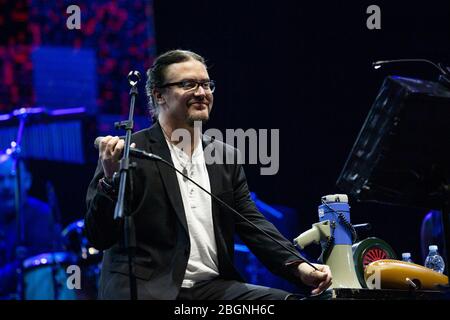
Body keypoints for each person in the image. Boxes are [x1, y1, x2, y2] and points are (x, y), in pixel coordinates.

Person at [85, 49, 332, 300]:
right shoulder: (130, 152)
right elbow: (99, 235)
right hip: (150, 290)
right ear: (159, 95)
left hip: (214, 290)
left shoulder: (224, 157)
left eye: (206, 84)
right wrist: (111, 180)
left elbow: (252, 224)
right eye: (188, 84)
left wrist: (300, 267)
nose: (202, 93)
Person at [0, 152, 62, 299]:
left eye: (12, 177)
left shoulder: (41, 215)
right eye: (0, 179)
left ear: (27, 181)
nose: (6, 186)